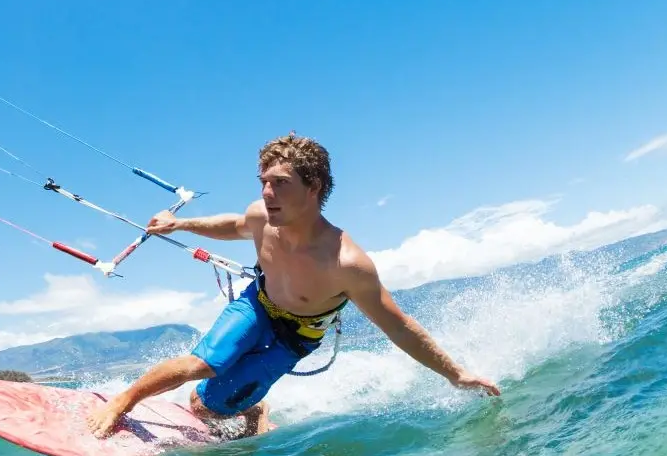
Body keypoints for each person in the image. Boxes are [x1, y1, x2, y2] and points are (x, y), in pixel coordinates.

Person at [86, 133, 501, 439]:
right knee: (202, 365)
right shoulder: (262, 218)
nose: (267, 193)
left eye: (280, 182)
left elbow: (398, 326)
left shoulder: (346, 264)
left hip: (295, 338)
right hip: (258, 305)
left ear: (314, 186)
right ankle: (125, 399)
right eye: (263, 181)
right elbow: (232, 225)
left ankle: (254, 408)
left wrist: (456, 373)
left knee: (205, 407)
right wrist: (181, 223)